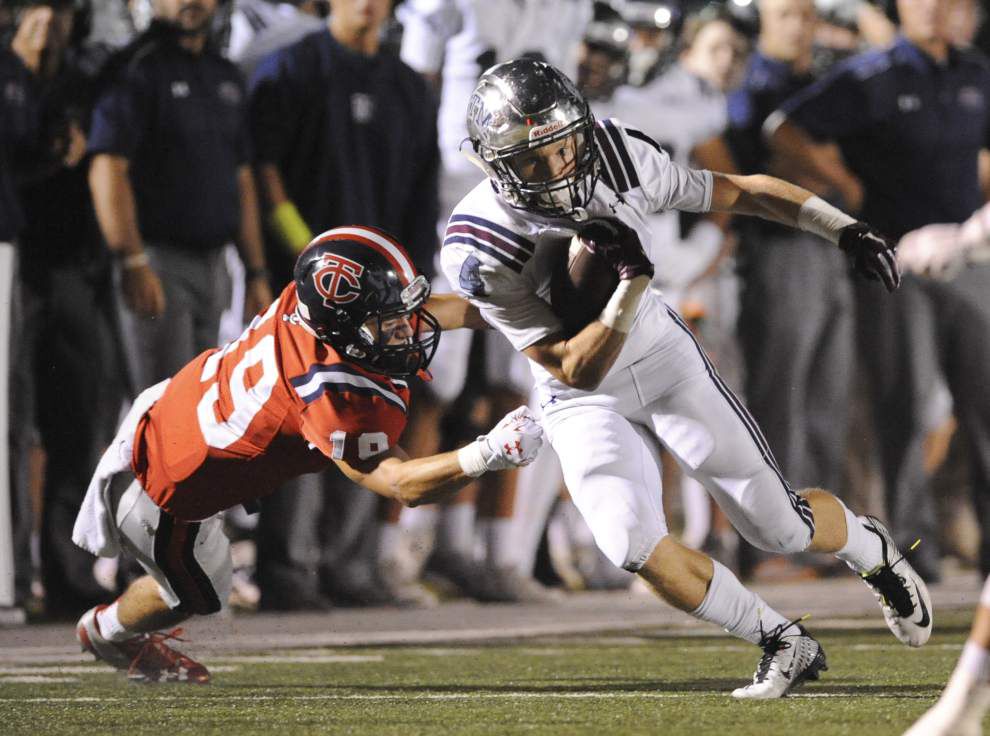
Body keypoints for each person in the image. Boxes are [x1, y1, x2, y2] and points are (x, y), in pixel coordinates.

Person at [442, 57, 926, 699]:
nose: (560, 168)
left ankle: (870, 548)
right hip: (579, 394)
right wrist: (626, 290)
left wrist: (842, 230)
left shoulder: (619, 154)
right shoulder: (480, 245)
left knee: (777, 527)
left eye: (564, 146)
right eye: (535, 160)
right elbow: (571, 366)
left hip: (662, 356)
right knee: (629, 541)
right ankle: (782, 640)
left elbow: (740, 188)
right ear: (495, 165)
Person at [72, 225, 542, 683]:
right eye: (391, 321)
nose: (407, 329)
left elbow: (428, 311)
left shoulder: (319, 307)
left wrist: (533, 305)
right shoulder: (330, 394)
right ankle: (105, 631)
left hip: (174, 409)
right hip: (164, 486)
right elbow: (399, 482)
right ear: (343, 326)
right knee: (195, 597)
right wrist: (486, 453)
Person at [766, 0, 990, 581]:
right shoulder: (874, 75)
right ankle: (918, 548)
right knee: (906, 405)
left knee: (984, 402)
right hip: (894, 260)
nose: (937, 11)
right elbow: (785, 129)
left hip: (967, 258)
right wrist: (844, 188)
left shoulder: (974, 74)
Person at [88, 0, 272, 394]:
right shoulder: (134, 69)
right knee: (164, 404)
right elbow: (108, 168)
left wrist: (255, 270)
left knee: (210, 408)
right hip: (159, 262)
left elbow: (241, 178)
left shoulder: (223, 74)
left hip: (217, 267)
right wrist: (132, 259)